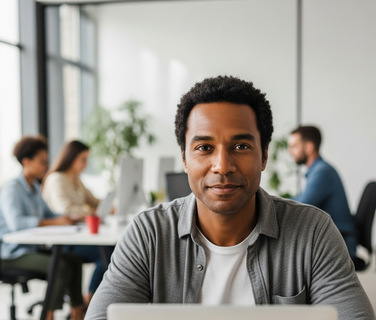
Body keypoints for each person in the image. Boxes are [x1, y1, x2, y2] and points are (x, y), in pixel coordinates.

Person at [85, 76, 374, 320]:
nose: (222, 165)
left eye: (241, 145)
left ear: (264, 155)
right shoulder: (148, 234)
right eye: (204, 147)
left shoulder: (313, 231)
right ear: (184, 158)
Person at [0, 136, 84, 320]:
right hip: (10, 254)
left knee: (74, 261)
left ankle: (78, 313)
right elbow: (17, 223)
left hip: (30, 249)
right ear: (26, 161)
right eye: (42, 161)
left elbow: (49, 214)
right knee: (60, 267)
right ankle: (48, 315)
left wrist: (69, 218)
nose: (46, 165)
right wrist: (56, 223)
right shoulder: (11, 189)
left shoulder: (34, 188)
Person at [42, 140, 112, 305]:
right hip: (62, 240)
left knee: (112, 249)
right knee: (108, 253)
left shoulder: (76, 179)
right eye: (83, 159)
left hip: (78, 236)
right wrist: (92, 212)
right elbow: (65, 210)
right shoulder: (56, 179)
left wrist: (109, 205)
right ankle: (91, 299)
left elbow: (94, 201)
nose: (85, 164)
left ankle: (91, 297)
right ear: (71, 157)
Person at [288, 126, 358, 258]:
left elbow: (300, 207)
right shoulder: (319, 170)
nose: (290, 151)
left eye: (294, 146)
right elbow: (300, 199)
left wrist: (272, 204)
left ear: (309, 147)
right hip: (333, 240)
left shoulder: (322, 172)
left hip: (340, 245)